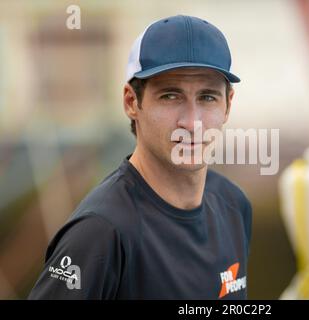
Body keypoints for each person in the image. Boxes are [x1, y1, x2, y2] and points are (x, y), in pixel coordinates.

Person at [28, 15, 252, 299]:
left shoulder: (234, 206)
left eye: (208, 97)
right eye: (170, 96)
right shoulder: (100, 232)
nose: (192, 122)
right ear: (132, 102)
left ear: (228, 105)